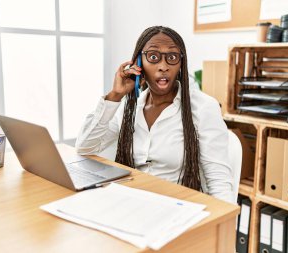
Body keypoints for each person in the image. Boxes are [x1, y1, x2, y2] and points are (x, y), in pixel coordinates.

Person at [76, 26, 234, 203]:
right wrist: (115, 96)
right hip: (130, 202)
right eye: (153, 57)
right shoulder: (129, 107)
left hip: (178, 207)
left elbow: (218, 180)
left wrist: (224, 225)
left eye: (172, 57)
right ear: (138, 62)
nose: (163, 66)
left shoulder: (203, 107)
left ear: (181, 63)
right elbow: (85, 147)